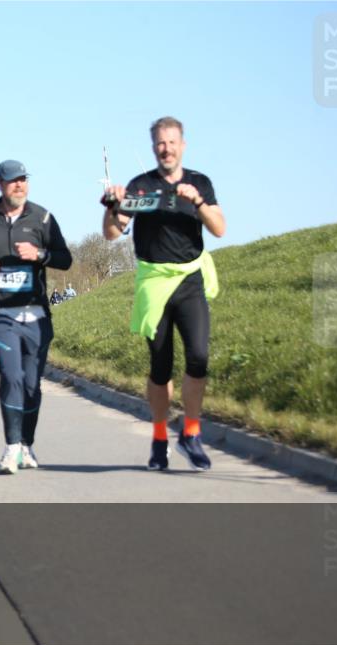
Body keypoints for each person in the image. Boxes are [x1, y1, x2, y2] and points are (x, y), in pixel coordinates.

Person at [101, 116, 225, 472]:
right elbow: (113, 232)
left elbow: (219, 228)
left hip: (189, 280)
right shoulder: (141, 186)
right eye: (160, 143)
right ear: (153, 147)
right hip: (154, 282)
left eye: (172, 142)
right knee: (160, 366)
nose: (166, 149)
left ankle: (191, 433)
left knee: (199, 356)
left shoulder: (199, 183)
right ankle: (158, 439)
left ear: (182, 145)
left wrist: (197, 202)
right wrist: (114, 205)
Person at [0, 159, 72, 473]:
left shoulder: (42, 217)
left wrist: (40, 255)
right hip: (0, 313)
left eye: (23, 180)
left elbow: (65, 258)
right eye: (13, 181)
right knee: (11, 377)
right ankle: (11, 447)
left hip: (36, 314)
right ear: (0, 184)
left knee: (33, 385)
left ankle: (26, 444)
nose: (19, 185)